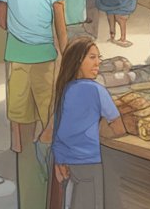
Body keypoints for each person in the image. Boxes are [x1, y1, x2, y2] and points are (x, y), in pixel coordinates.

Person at [0, 0, 67, 152]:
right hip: (44, 52)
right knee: (46, 102)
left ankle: (17, 145)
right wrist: (66, 53)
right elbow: (60, 26)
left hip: (17, 51)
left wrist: (19, 27)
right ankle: (47, 145)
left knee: (17, 102)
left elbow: (2, 21)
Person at [52, 37, 125, 209]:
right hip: (89, 163)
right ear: (78, 61)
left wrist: (59, 158)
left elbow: (60, 129)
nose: (98, 63)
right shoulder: (96, 90)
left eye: (99, 57)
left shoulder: (65, 89)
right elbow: (119, 128)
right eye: (92, 57)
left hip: (68, 164)